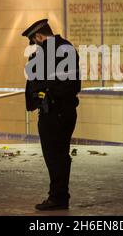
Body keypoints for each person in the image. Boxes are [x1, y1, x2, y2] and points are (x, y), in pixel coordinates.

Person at [22, 18, 81, 211]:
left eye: (34, 41)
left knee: (55, 156)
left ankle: (58, 197)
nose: (35, 45)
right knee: (59, 156)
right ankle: (59, 195)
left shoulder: (59, 51)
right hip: (60, 112)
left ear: (39, 36)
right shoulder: (63, 49)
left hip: (55, 113)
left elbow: (71, 85)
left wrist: (47, 92)